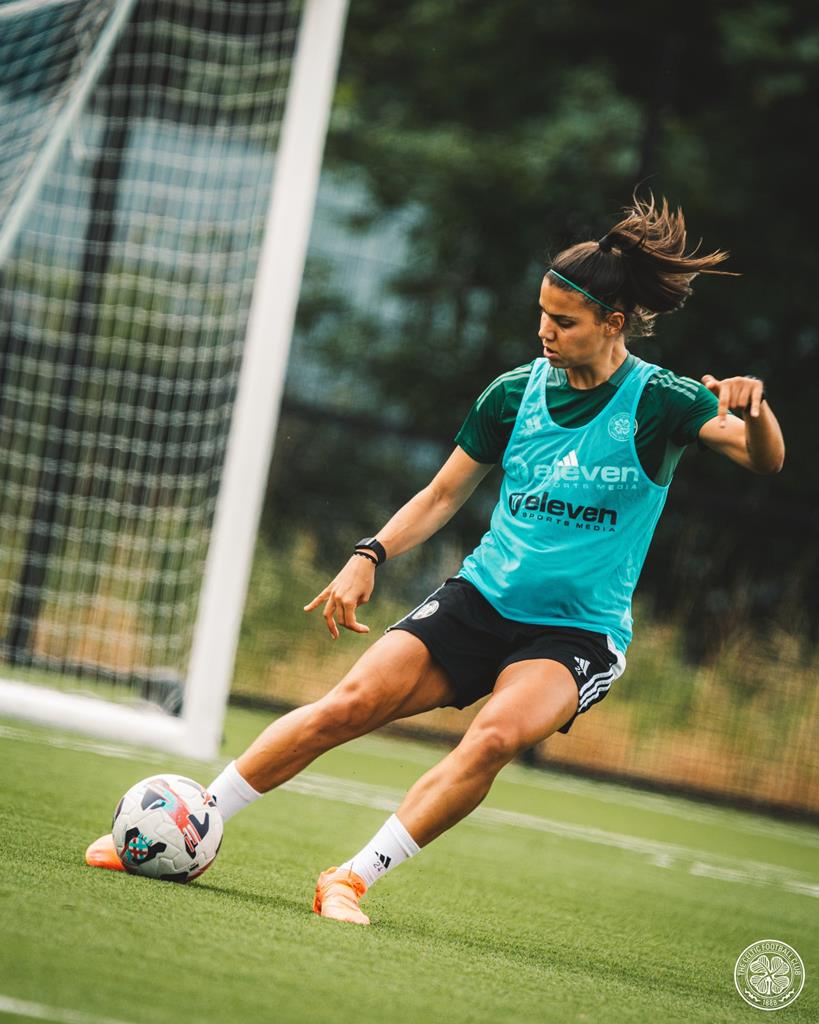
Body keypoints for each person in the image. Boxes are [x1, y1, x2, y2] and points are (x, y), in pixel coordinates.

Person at [86, 193, 785, 925]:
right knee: (348, 705)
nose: (543, 332)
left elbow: (762, 461)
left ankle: (349, 880)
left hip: (576, 632)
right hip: (480, 600)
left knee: (492, 738)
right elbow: (441, 494)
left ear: (613, 323)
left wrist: (755, 412)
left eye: (563, 322)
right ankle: (192, 822)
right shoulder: (513, 394)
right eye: (540, 314)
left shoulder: (659, 402)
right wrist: (369, 554)